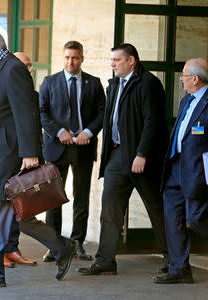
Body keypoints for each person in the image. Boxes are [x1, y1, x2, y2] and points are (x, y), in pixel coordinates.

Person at [0, 29, 75, 289]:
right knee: (21, 216)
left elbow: (26, 111)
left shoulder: (12, 68)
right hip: (1, 152)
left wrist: (30, 153)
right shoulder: (3, 66)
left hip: (7, 156)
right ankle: (63, 247)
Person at [79, 43, 169, 275]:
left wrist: (142, 153)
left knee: (156, 209)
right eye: (111, 60)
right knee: (110, 210)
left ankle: (174, 260)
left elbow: (153, 122)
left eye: (117, 60)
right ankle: (106, 260)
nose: (112, 64)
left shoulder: (149, 83)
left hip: (141, 157)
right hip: (117, 156)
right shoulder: (114, 84)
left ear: (131, 61)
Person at [153, 58, 208, 284]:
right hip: (174, 167)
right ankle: (179, 269)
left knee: (196, 218)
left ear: (195, 78)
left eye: (183, 75)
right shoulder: (185, 101)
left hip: (198, 172)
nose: (180, 79)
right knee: (173, 220)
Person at [39, 41, 105, 262]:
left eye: (75, 58)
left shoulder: (94, 84)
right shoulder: (49, 82)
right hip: (57, 147)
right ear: (63, 57)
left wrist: (88, 131)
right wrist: (59, 132)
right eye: (67, 57)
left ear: (82, 59)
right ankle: (55, 246)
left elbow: (102, 112)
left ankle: (77, 244)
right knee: (53, 199)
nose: (70, 62)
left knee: (81, 198)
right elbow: (42, 112)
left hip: (83, 147)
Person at [2, 52, 38, 268]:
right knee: (4, 207)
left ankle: (13, 249)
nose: (28, 69)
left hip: (26, 159)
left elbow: (34, 123)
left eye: (29, 65)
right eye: (23, 65)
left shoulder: (32, 93)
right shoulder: (4, 89)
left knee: (20, 207)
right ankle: (2, 251)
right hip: (7, 156)